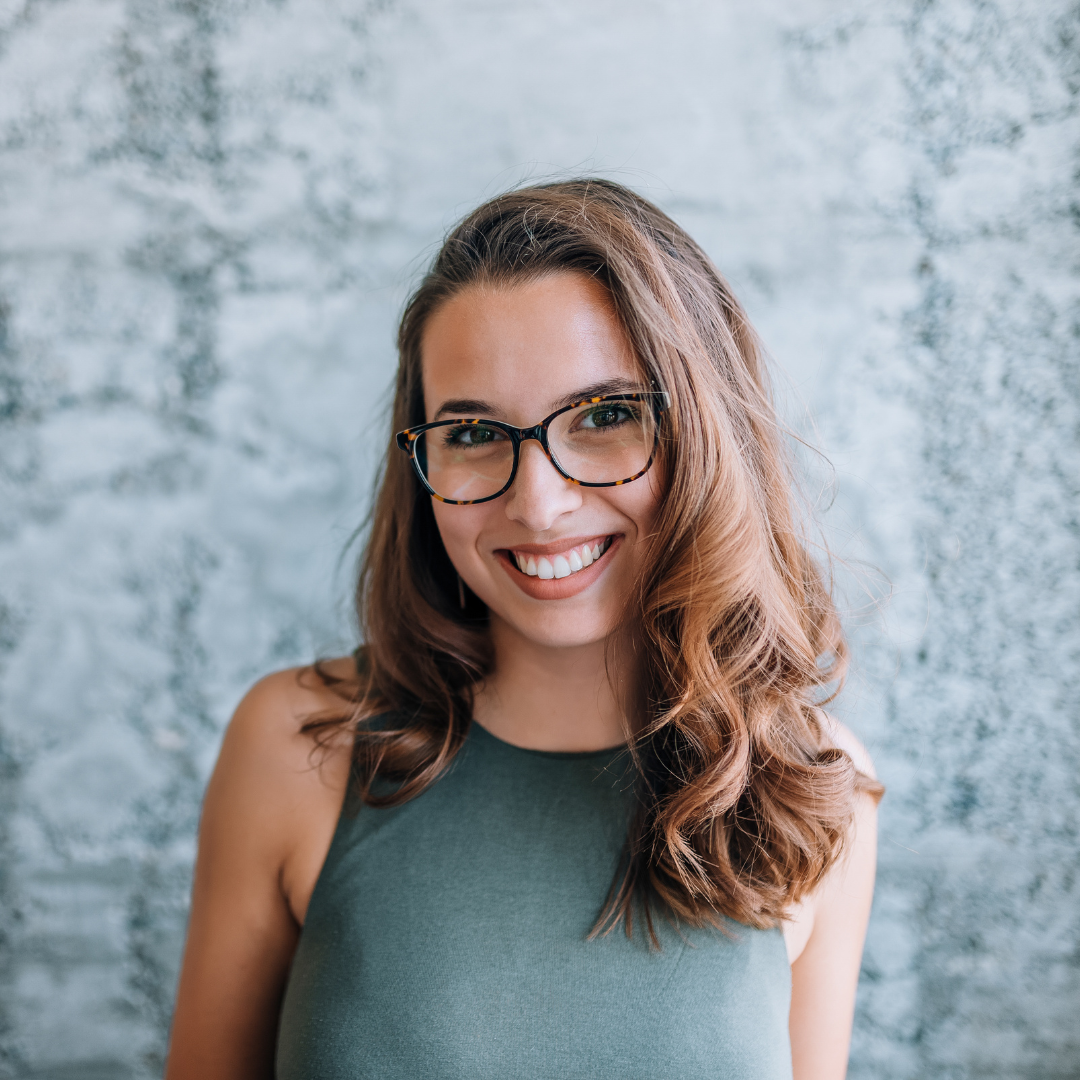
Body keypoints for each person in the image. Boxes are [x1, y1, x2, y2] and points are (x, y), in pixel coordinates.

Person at [166, 179, 882, 1080]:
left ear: (707, 431)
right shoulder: (295, 744)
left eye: (607, 416)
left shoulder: (816, 789)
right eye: (472, 432)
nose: (538, 505)